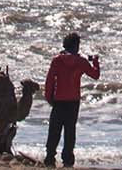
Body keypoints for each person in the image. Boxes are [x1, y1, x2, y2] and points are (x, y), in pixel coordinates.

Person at [43, 33, 99, 169]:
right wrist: (95, 61)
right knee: (70, 131)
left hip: (59, 99)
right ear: (76, 46)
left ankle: (50, 158)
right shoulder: (81, 61)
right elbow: (95, 75)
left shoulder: (57, 60)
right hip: (73, 100)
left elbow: (49, 81)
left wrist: (49, 97)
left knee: (54, 130)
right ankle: (68, 160)